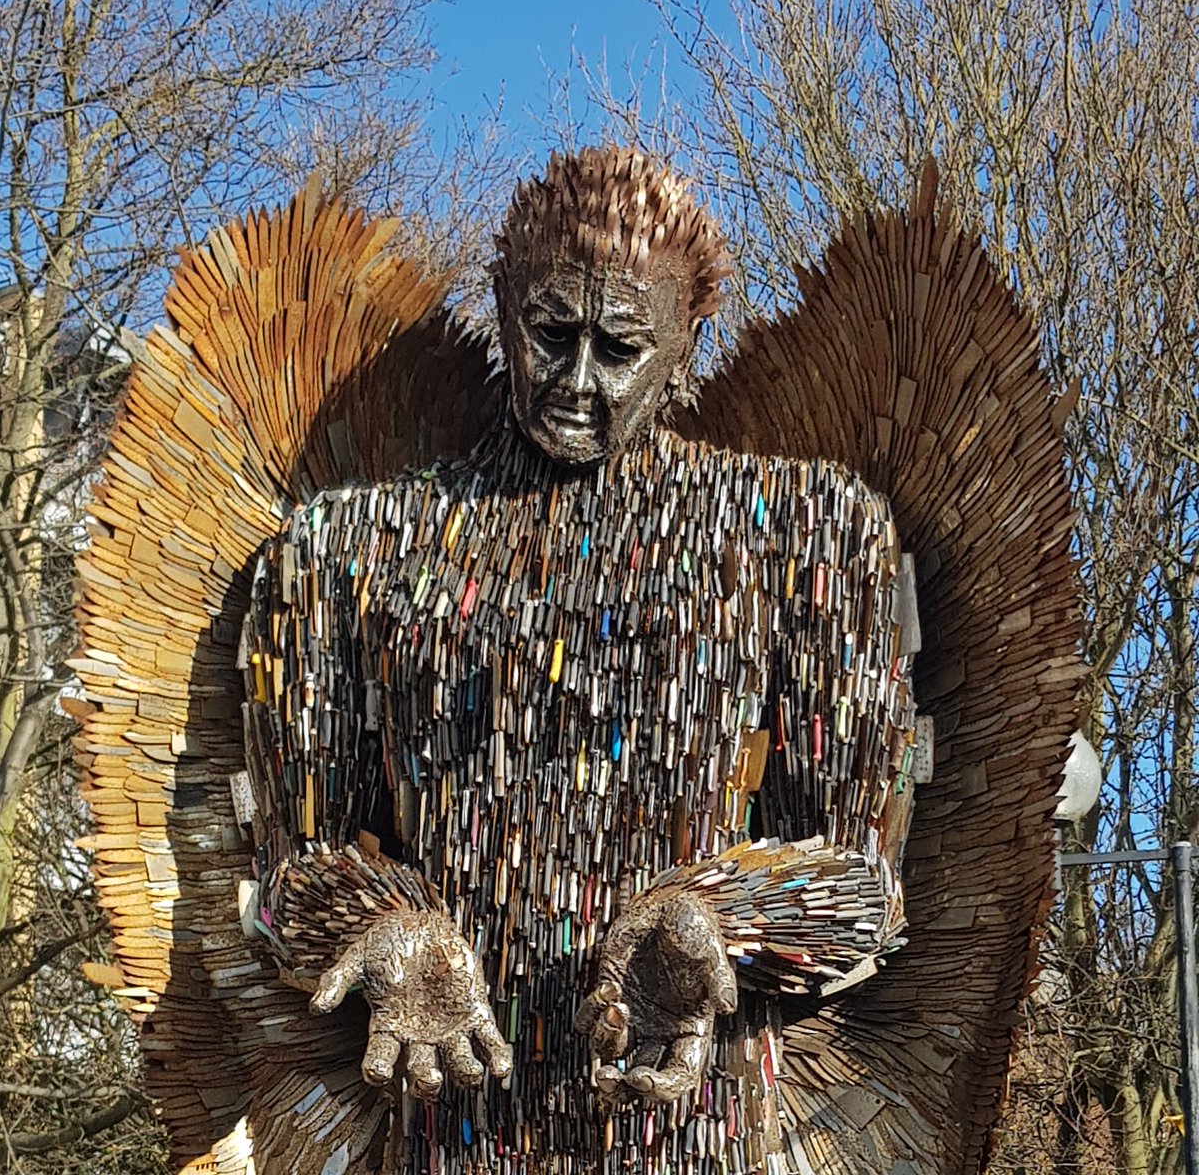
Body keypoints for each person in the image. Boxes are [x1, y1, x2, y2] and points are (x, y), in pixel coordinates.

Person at [240, 146, 921, 1172]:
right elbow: (288, 866)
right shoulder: (348, 553)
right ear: (504, 307)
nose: (576, 382)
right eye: (551, 335)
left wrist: (718, 919)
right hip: (449, 1126)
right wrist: (380, 923)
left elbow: (868, 881)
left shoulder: (808, 536)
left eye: (620, 348)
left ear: (687, 347)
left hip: (692, 1126)